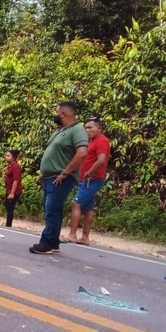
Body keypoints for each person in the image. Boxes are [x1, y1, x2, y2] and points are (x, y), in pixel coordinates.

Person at [29, 101, 88, 254]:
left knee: (52, 209)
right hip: (50, 176)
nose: (54, 115)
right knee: (51, 209)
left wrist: (65, 172)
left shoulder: (77, 130)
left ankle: (46, 243)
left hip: (61, 177)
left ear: (62, 114)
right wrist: (43, 172)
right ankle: (54, 243)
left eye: (56, 112)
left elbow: (81, 153)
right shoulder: (60, 131)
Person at [64, 116, 110, 246]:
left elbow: (101, 160)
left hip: (93, 179)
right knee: (88, 208)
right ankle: (85, 237)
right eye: (86, 127)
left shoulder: (102, 141)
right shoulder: (91, 141)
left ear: (99, 128)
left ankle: (72, 234)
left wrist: (89, 172)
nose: (87, 129)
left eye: (90, 127)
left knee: (75, 204)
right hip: (85, 178)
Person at [3, 150, 23, 227]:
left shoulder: (16, 167)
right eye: (6, 155)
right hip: (9, 190)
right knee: (8, 206)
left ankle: (8, 224)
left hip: (14, 191)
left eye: (8, 156)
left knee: (10, 207)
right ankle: (8, 223)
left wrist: (12, 193)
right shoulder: (10, 165)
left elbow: (16, 180)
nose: (6, 157)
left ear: (13, 157)